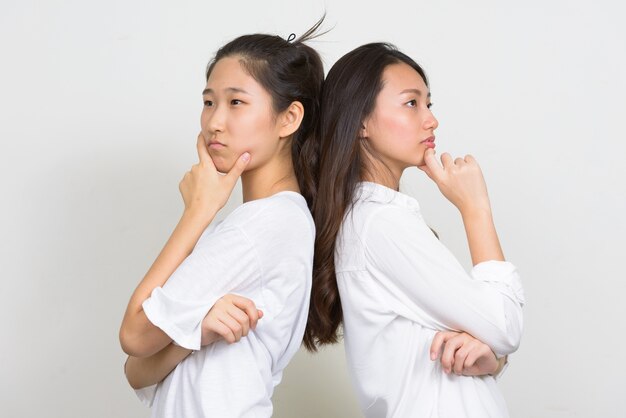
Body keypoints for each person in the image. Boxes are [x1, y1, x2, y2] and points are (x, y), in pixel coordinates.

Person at [304, 42, 525, 417]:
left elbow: (486, 339)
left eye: (429, 104)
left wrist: (492, 359)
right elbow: (505, 324)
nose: (431, 119)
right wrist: (476, 209)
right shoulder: (379, 224)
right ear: (360, 122)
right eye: (411, 103)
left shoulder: (378, 219)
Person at [119, 20, 324, 418]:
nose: (213, 121)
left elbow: (134, 333)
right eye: (209, 101)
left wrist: (198, 211)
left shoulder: (266, 226)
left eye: (236, 102)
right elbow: (136, 372)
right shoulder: (247, 226)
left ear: (289, 118)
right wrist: (196, 330)